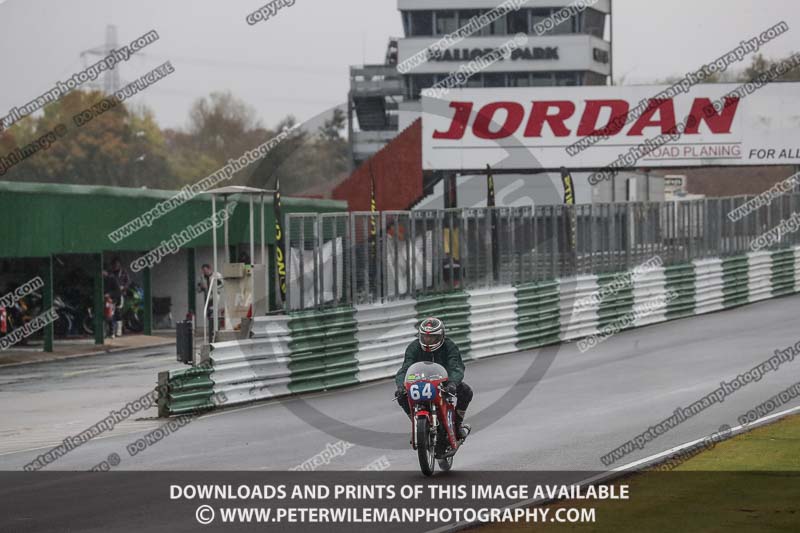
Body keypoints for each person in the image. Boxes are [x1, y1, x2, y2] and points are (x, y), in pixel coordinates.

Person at [395, 317, 473, 441]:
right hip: (420, 381)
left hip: (444, 381)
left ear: (441, 336)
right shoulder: (413, 347)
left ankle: (457, 425)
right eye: (425, 336)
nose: (428, 340)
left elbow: (456, 367)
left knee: (466, 391)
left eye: (432, 337)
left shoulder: (449, 346)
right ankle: (417, 425)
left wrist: (452, 383)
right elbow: (405, 368)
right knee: (400, 395)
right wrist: (401, 385)